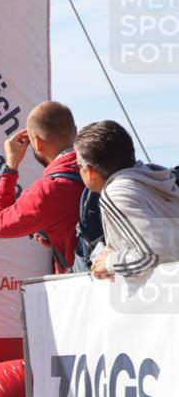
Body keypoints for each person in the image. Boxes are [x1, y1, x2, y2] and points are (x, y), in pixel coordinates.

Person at [0, 101, 85, 273]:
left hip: (84, 284)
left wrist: (10, 166)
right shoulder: (99, 168)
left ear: (37, 143)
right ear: (75, 133)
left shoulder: (47, 191)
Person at [73, 120, 179, 280]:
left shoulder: (116, 193)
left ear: (90, 171)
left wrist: (110, 262)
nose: (79, 170)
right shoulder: (156, 178)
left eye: (78, 166)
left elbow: (155, 254)